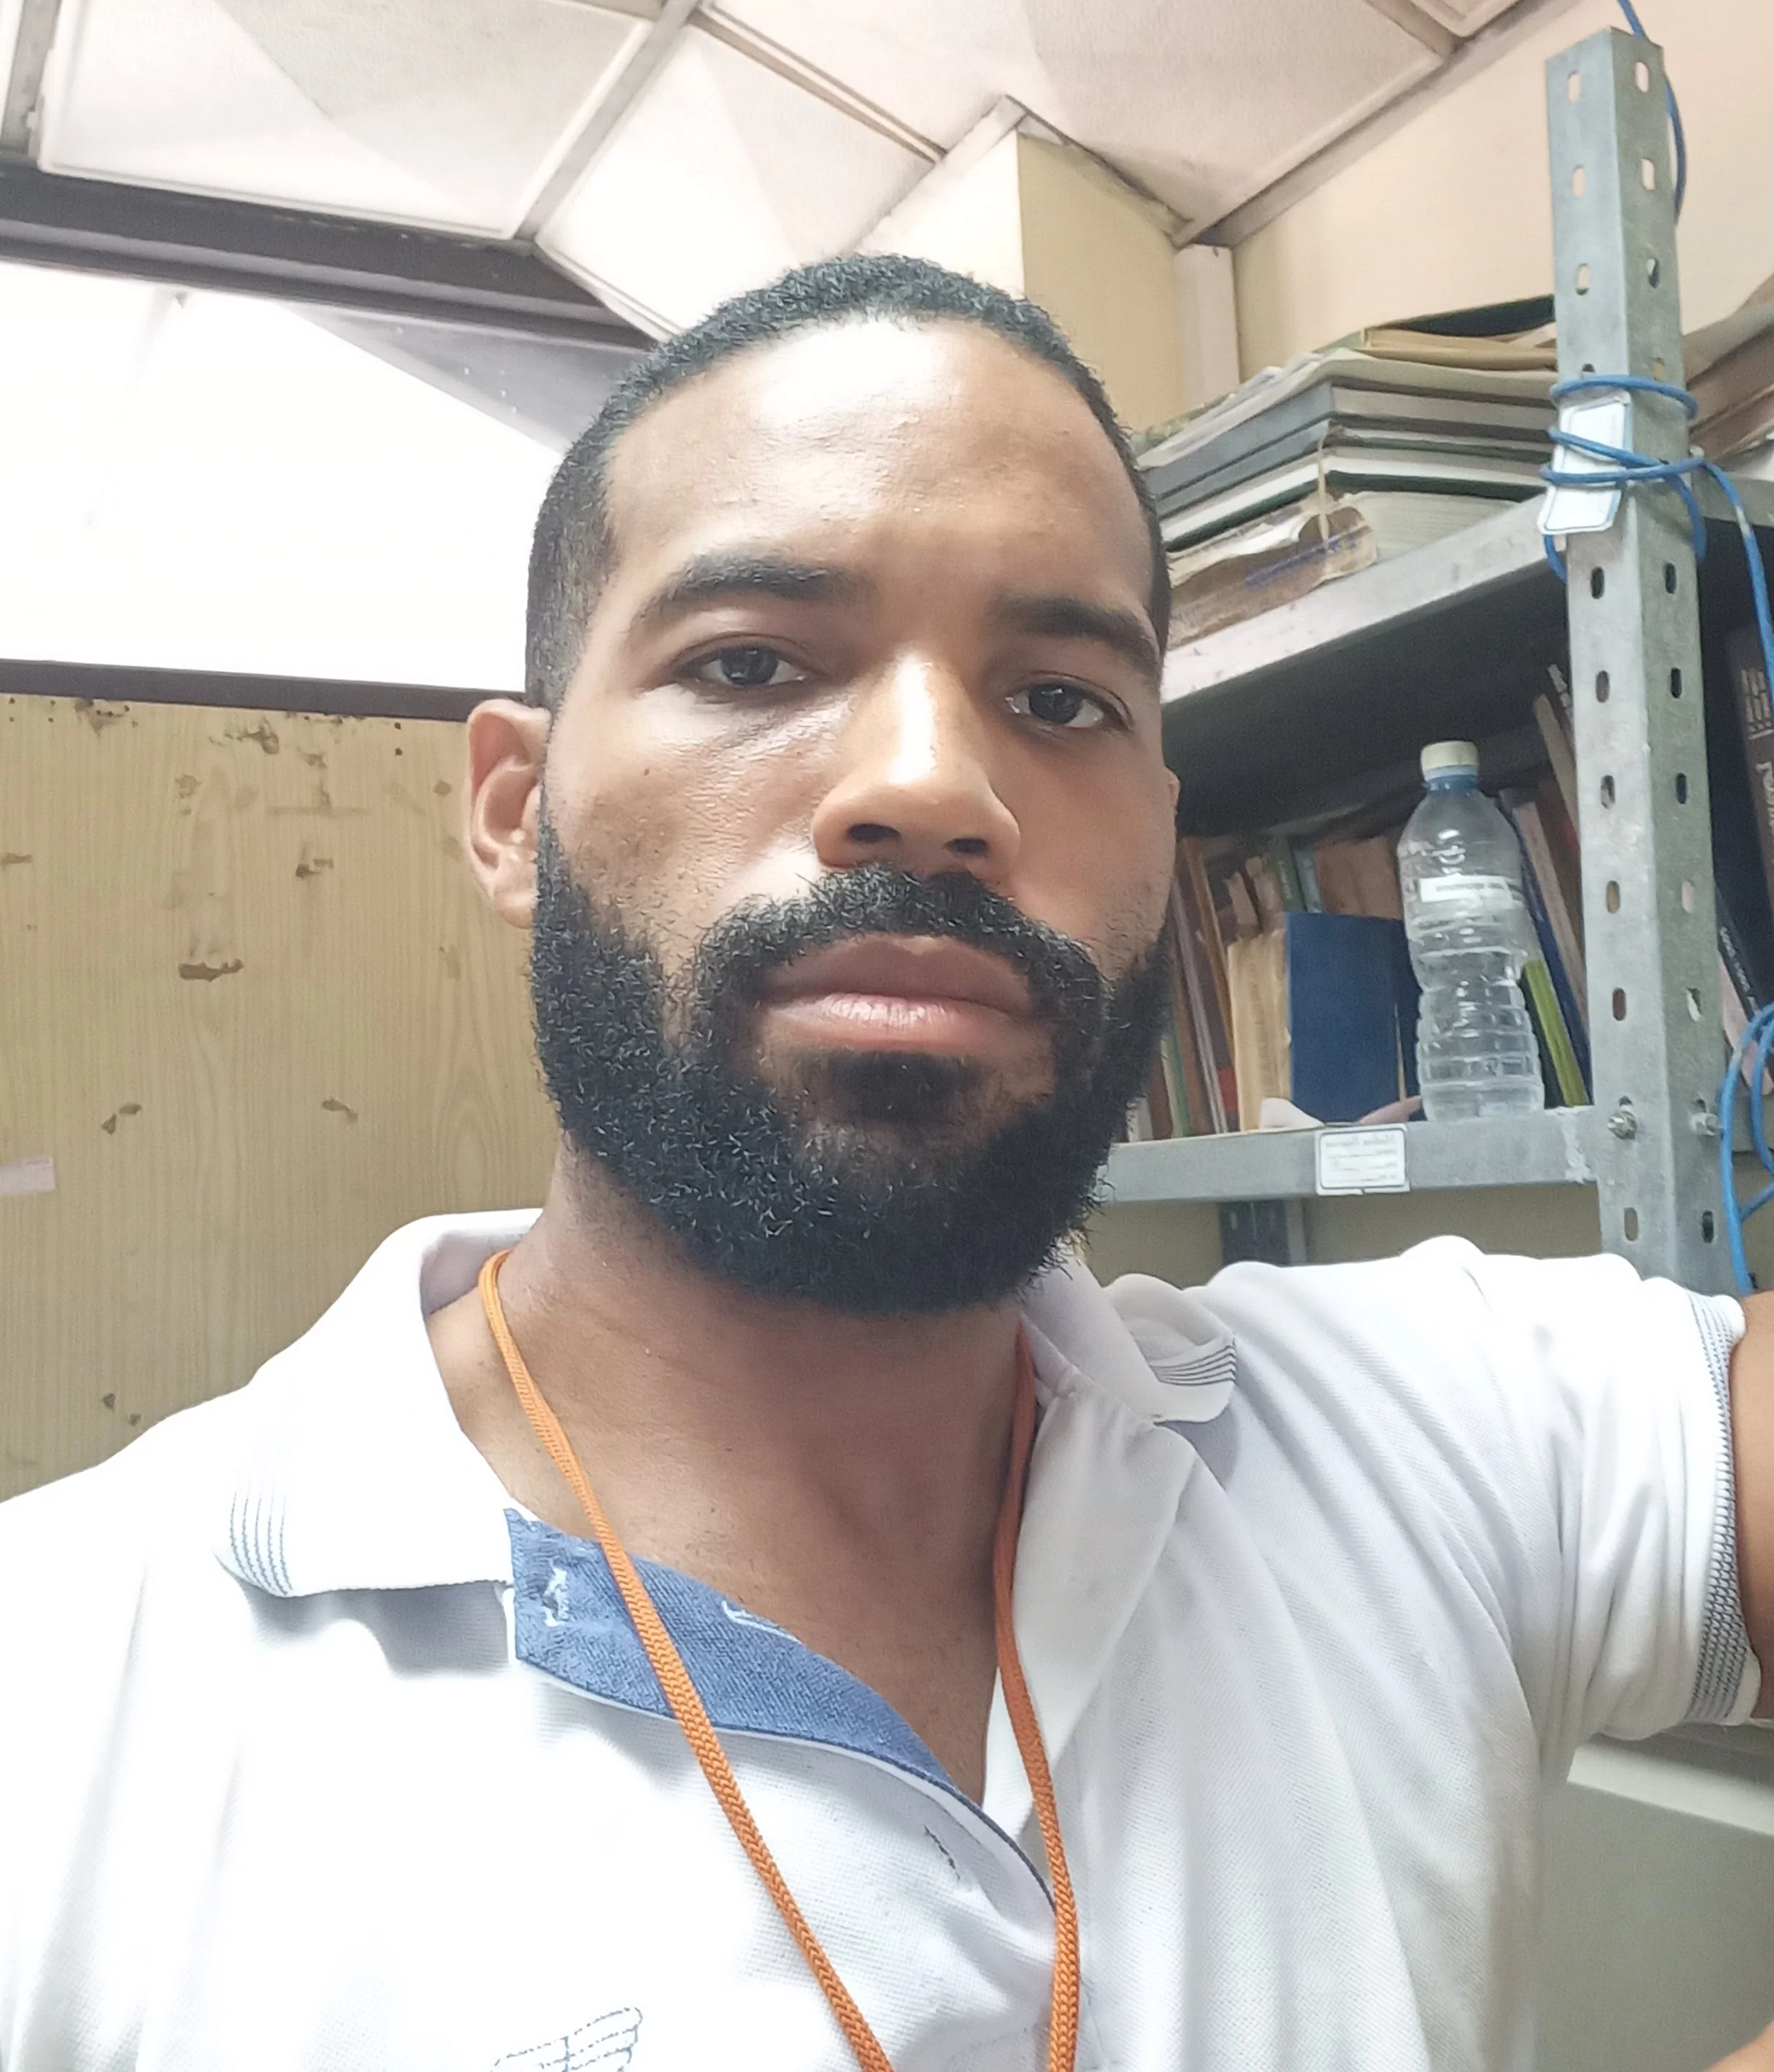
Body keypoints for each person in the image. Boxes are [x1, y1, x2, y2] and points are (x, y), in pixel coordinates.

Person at [0, 254, 1768, 2072]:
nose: (934, 787)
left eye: (1062, 701)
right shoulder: (63, 1702)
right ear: (516, 813)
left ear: (1161, 835)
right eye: (751, 662)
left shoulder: (1431, 1436)